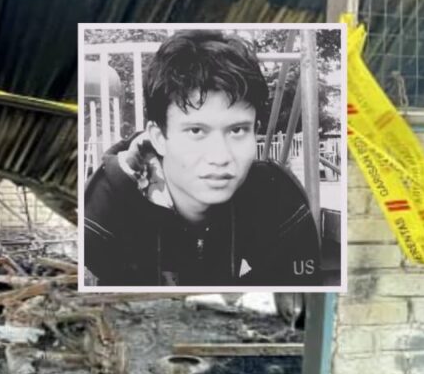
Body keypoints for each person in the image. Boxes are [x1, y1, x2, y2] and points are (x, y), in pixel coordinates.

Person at [84, 30, 321, 287]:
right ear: (159, 137)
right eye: (196, 131)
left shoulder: (277, 201)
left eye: (237, 130)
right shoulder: (102, 215)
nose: (220, 157)